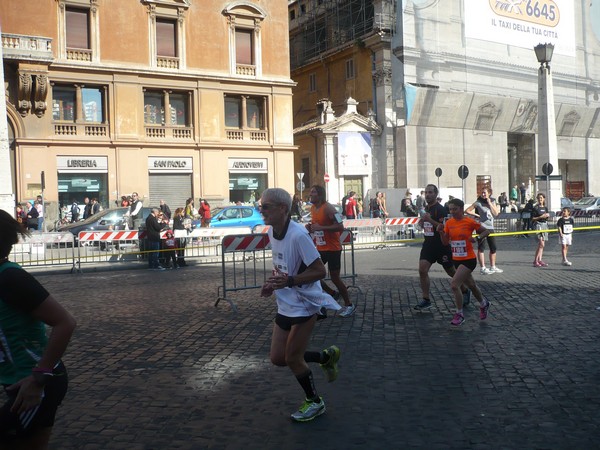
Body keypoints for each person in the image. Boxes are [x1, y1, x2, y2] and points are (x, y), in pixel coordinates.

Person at [258, 187, 341, 422]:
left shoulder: (298, 235)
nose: (261, 210)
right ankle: (325, 357)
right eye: (260, 206)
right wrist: (272, 283)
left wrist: (291, 281)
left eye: (266, 207)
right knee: (278, 358)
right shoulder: (273, 232)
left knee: (293, 358)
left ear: (282, 209)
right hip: (285, 302)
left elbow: (318, 270)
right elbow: (281, 265)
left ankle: (315, 402)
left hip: (305, 303)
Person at [0, 210, 77, 449]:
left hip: (37, 381)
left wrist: (38, 378)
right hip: (18, 381)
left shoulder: (10, 278)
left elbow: (65, 322)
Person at [415, 184, 471, 311]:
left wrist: (429, 220)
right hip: (428, 245)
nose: (428, 195)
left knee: (451, 271)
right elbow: (425, 224)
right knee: (422, 270)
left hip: (441, 246)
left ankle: (464, 290)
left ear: (436, 194)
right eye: (426, 192)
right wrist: (422, 222)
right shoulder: (426, 209)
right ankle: (426, 299)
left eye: (430, 192)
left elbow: (444, 227)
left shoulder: (440, 210)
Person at [438, 198, 492, 326]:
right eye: (450, 209)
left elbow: (487, 231)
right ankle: (484, 304)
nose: (452, 212)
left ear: (461, 209)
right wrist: (441, 232)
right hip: (456, 259)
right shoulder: (449, 223)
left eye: (455, 209)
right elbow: (445, 242)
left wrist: (477, 238)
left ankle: (459, 314)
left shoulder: (469, 221)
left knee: (454, 285)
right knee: (472, 285)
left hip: (468, 259)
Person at [306, 185, 355, 317]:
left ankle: (349, 304)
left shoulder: (328, 208)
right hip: (320, 247)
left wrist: (321, 227)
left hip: (333, 248)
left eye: (313, 192)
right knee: (312, 274)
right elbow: (316, 225)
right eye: (310, 192)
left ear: (320, 194)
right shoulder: (312, 208)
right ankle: (332, 294)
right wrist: (311, 227)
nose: (310, 194)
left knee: (335, 277)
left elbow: (340, 226)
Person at [465, 188, 503, 275]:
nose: (483, 194)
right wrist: (476, 215)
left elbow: (496, 214)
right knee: (481, 247)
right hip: (482, 227)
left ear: (489, 193)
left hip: (491, 227)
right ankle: (483, 268)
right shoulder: (478, 202)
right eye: (482, 193)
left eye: (485, 193)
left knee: (493, 247)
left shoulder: (492, 202)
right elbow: (467, 210)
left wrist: (489, 203)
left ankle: (493, 266)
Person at [531, 193, 550, 267]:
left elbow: (546, 217)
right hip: (538, 225)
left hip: (544, 225)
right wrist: (540, 217)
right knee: (541, 243)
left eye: (541, 198)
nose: (540, 199)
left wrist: (547, 216)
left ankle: (540, 260)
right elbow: (532, 218)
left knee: (543, 245)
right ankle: (535, 260)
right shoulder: (535, 208)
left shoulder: (545, 208)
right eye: (539, 198)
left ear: (544, 199)